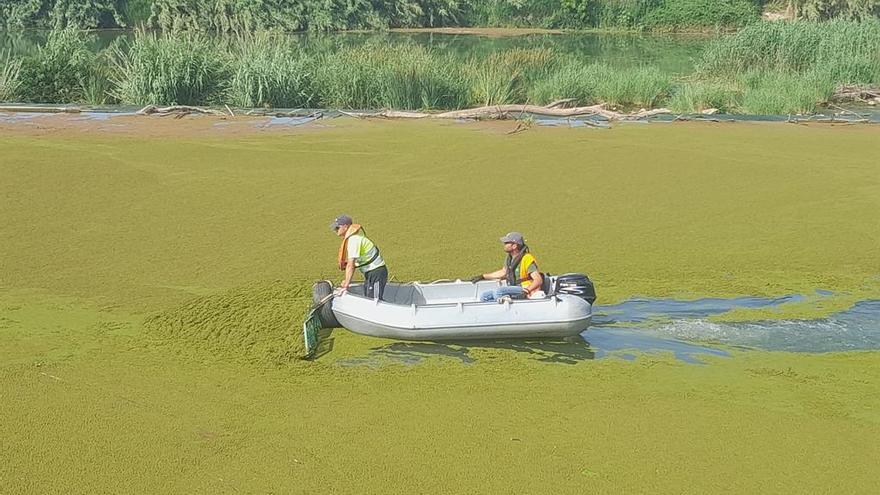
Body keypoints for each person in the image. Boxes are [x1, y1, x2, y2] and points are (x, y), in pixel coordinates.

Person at [472, 232, 544, 302]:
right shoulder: (510, 258)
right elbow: (503, 272)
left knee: (500, 291)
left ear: (514, 246)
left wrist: (526, 291)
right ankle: (502, 304)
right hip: (514, 287)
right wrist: (483, 276)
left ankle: (505, 302)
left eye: (506, 243)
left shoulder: (527, 259)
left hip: (523, 288)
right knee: (484, 296)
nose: (504, 245)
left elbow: (538, 280)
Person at [330, 214, 388, 300]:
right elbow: (360, 261)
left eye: (337, 228)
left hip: (376, 272)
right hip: (371, 273)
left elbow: (351, 265)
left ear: (345, 227)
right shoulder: (355, 238)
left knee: (375, 301)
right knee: (370, 299)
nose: (335, 230)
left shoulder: (354, 240)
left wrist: (346, 285)